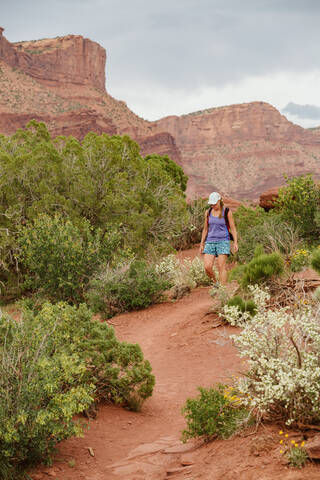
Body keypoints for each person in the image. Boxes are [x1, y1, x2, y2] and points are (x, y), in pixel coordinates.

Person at [199, 192, 238, 285]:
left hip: (223, 241)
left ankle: (223, 290)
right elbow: (205, 229)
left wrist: (235, 242)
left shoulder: (227, 212)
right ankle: (216, 283)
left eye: (214, 203)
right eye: (211, 204)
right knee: (207, 267)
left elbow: (233, 228)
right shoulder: (208, 213)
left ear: (219, 201)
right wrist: (202, 243)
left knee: (221, 266)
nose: (213, 206)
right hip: (210, 241)